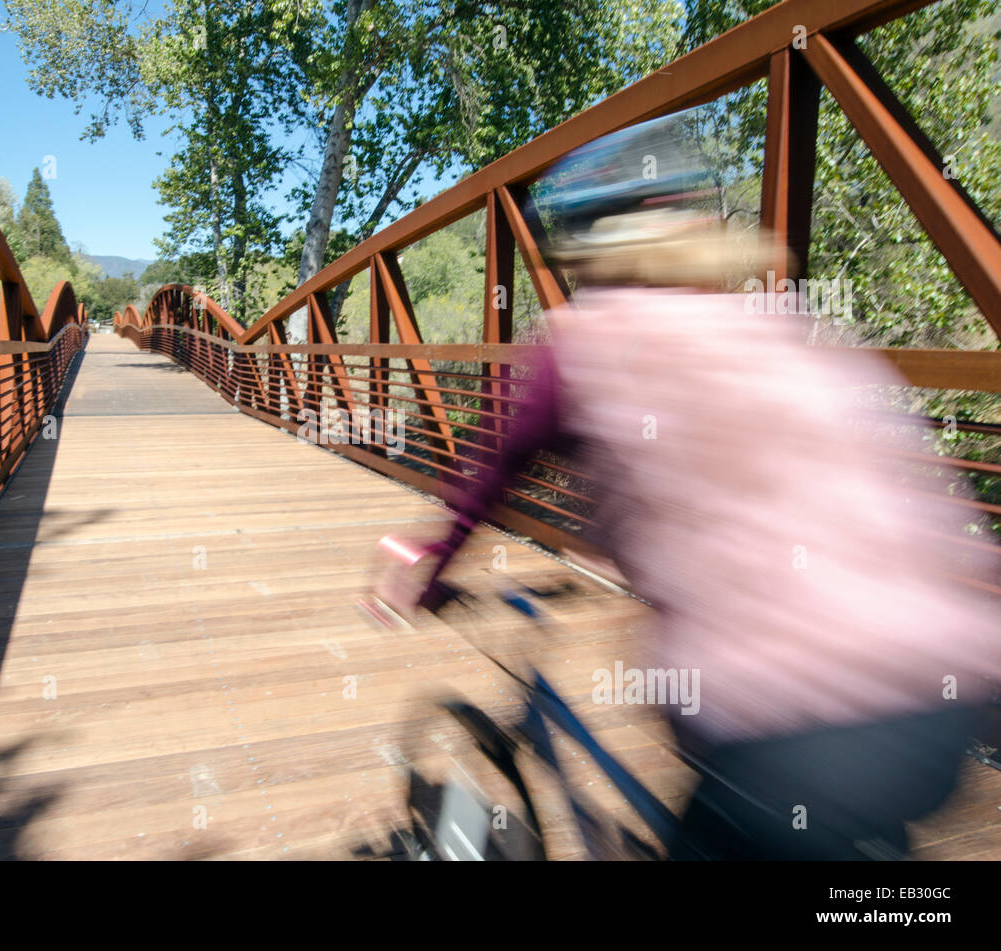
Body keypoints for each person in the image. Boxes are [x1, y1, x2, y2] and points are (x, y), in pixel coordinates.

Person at [393, 118, 1001, 860]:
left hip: (783, 725)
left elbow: (495, 472)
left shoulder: (583, 343)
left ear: (583, 246)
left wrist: (432, 563)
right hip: (943, 695)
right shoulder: (779, 330)